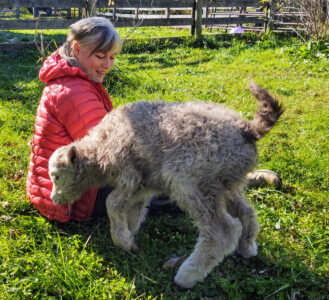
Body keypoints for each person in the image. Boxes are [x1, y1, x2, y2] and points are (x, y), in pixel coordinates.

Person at [26, 17, 121, 222]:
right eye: (101, 56)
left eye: (112, 57)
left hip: (65, 184)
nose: (107, 64)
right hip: (74, 196)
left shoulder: (74, 78)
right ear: (77, 49)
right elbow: (105, 152)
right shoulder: (73, 91)